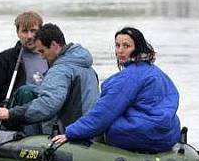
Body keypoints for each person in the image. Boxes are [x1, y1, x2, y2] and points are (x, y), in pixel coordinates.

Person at [52, 27, 181, 153]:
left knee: (109, 125)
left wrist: (71, 133)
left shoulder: (127, 78)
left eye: (126, 46)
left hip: (144, 134)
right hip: (168, 135)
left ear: (137, 47)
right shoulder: (157, 73)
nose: (120, 51)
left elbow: (103, 112)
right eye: (117, 45)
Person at [0, 23, 99, 135]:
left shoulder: (60, 70)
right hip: (91, 129)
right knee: (28, 90)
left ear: (54, 45)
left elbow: (48, 105)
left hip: (71, 133)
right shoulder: (87, 66)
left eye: (42, 51)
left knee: (25, 92)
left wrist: (11, 114)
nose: (42, 56)